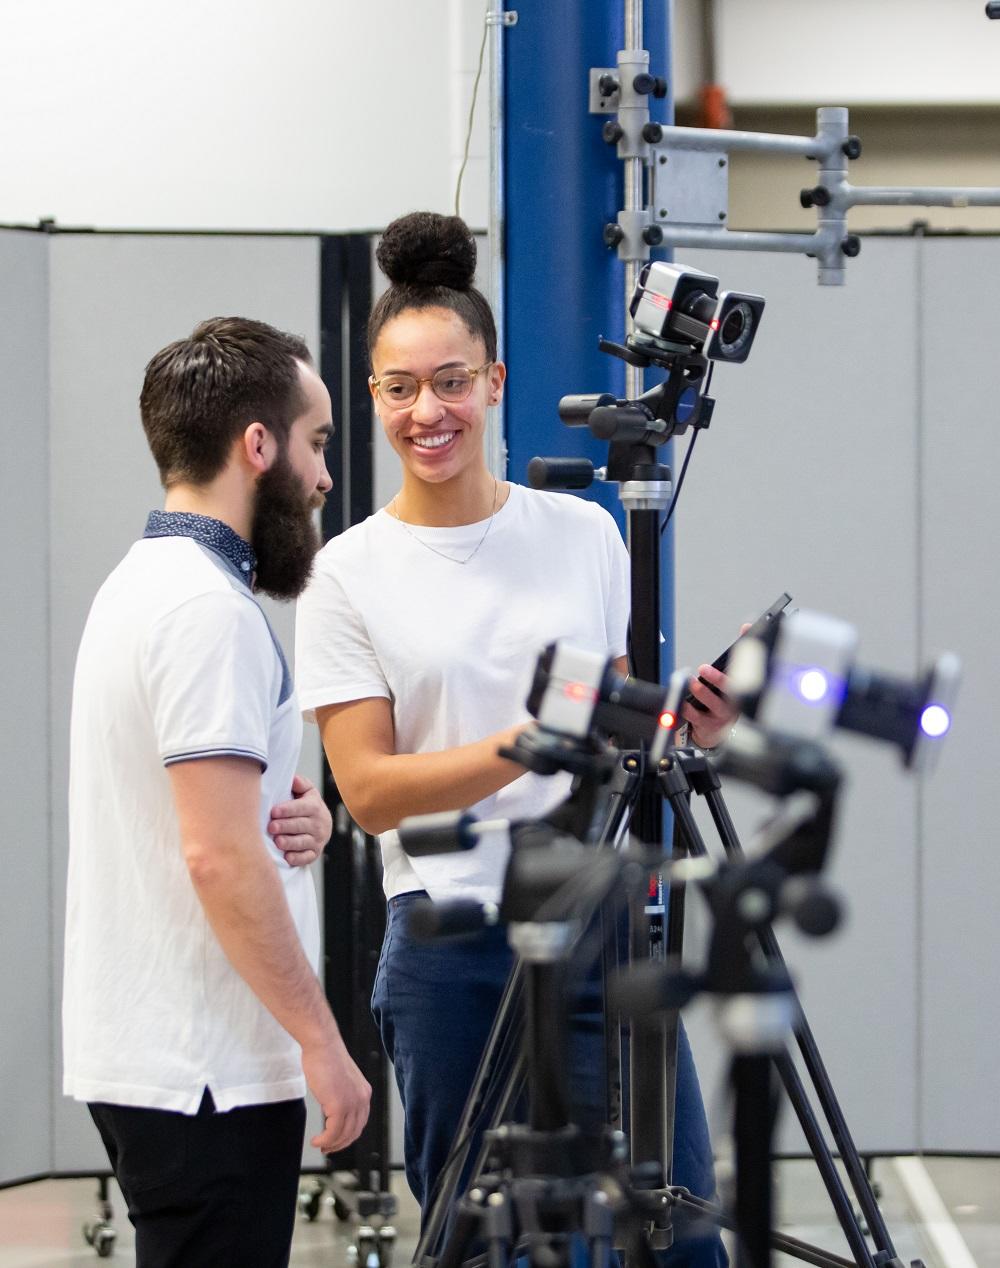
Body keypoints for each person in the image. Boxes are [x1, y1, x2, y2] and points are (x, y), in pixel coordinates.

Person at [294, 213, 734, 1263]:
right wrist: (529, 742)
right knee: (480, 1238)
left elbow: (618, 713)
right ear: (371, 399)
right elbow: (369, 792)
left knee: (674, 1227)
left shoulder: (582, 529)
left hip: (604, 925)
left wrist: (679, 715)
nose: (425, 410)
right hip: (456, 949)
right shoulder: (346, 572)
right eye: (399, 388)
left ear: (494, 382)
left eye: (450, 381)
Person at [63, 316, 371, 1268]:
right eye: (317, 444)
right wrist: (322, 1041)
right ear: (258, 446)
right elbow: (216, 855)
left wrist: (297, 814)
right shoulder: (209, 613)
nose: (324, 478)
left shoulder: (144, 584)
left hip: (157, 1055)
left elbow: (201, 821)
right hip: (210, 1072)